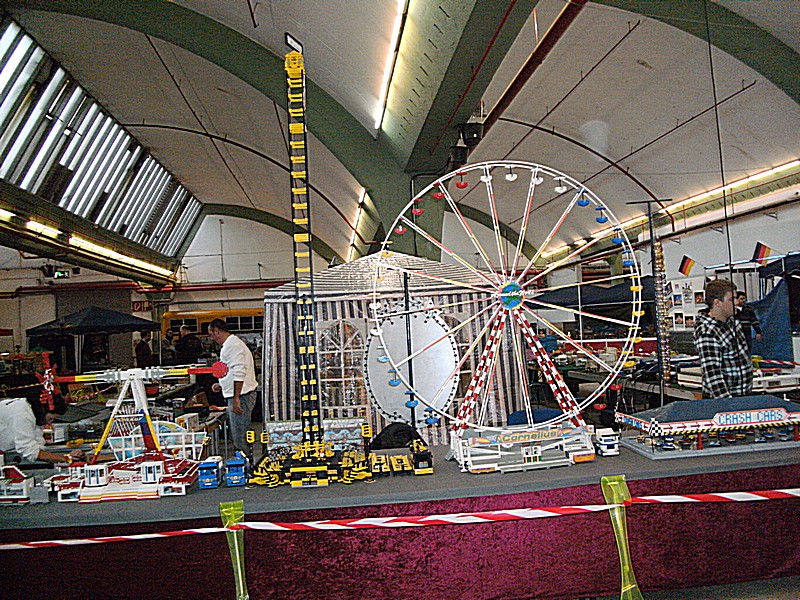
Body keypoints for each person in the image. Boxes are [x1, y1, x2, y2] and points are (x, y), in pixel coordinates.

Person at [693, 279, 753, 399]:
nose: (736, 302)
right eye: (731, 299)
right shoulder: (707, 332)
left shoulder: (734, 323)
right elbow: (713, 375)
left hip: (743, 396)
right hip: (723, 400)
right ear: (717, 303)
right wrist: (727, 404)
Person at [207, 318, 258, 456]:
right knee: (240, 433)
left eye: (211, 334)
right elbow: (232, 370)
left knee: (240, 436)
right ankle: (245, 460)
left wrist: (236, 398)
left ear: (216, 331)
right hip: (241, 394)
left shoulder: (232, 346)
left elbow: (239, 372)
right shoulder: (232, 344)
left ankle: (244, 462)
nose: (211, 338)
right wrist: (222, 383)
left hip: (242, 395)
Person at [0, 396, 84, 464]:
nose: (49, 423)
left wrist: (66, 455)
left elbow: (38, 445)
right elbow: (29, 451)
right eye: (50, 418)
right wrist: (66, 458)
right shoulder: (22, 414)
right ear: (43, 411)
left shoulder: (32, 411)